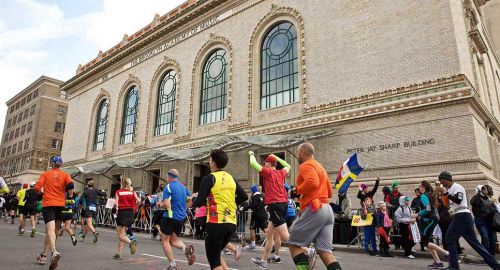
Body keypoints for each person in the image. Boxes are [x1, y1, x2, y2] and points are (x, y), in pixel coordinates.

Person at [192, 149, 248, 270]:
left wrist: (191, 201)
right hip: (231, 223)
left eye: (210, 159)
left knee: (214, 260)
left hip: (216, 222)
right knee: (216, 255)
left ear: (213, 162)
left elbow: (200, 201)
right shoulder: (230, 178)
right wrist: (231, 204)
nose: (209, 162)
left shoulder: (209, 178)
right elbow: (244, 196)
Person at [288, 142, 341, 270]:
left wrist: (296, 191)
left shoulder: (306, 165)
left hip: (314, 207)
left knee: (293, 244)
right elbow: (329, 191)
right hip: (327, 210)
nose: (297, 156)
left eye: (297, 153)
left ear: (302, 153)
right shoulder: (320, 167)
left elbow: (312, 182)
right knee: (325, 251)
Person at [439, 172, 500, 270]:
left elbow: (458, 200)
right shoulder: (449, 189)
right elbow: (448, 205)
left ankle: (454, 266)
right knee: (475, 244)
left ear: (446, 179)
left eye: (441, 180)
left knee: (449, 239)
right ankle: (496, 266)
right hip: (461, 216)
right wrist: (444, 194)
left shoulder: (457, 187)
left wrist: (446, 193)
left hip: (462, 216)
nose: (441, 183)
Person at [248, 152, 291, 268]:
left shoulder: (268, 172)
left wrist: (251, 153)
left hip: (276, 205)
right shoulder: (281, 172)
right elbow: (288, 165)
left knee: (286, 236)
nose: (263, 164)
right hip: (282, 203)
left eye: (265, 162)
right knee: (269, 235)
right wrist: (276, 157)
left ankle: (307, 250)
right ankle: (263, 261)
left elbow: (252, 162)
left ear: (268, 163)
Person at [35, 155, 74, 270]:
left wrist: (42, 193)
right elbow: (71, 185)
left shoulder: (46, 174)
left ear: (51, 164)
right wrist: (70, 197)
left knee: (50, 229)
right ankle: (44, 255)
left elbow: (37, 187)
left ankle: (54, 252)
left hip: (48, 204)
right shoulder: (65, 175)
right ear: (61, 164)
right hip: (60, 205)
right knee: (54, 230)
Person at [160, 169, 195, 270]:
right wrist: (182, 209)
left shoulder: (169, 186)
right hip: (181, 217)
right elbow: (190, 202)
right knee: (173, 240)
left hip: (170, 217)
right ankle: (186, 249)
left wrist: (160, 204)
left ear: (169, 176)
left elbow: (166, 204)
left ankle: (173, 265)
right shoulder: (184, 188)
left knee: (165, 240)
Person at [113, 177, 139, 259]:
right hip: (130, 213)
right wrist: (135, 208)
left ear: (122, 183)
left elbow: (116, 203)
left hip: (122, 213)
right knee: (123, 234)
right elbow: (138, 200)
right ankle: (118, 253)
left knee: (120, 235)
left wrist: (114, 207)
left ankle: (131, 243)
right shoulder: (132, 192)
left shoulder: (118, 192)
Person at [470, 185, 496, 255]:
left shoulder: (488, 198)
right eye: (483, 189)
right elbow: (481, 207)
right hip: (481, 221)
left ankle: (492, 254)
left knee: (493, 238)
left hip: (490, 221)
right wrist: (479, 194)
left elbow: (493, 209)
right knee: (485, 237)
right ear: (479, 190)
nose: (485, 191)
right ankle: (486, 254)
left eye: (485, 189)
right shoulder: (476, 198)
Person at [244, 184, 267, 250]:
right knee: (264, 228)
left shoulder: (255, 196)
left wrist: (244, 207)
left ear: (253, 191)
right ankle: (273, 242)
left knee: (252, 228)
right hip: (263, 214)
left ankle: (253, 244)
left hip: (257, 215)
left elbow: (253, 205)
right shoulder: (262, 196)